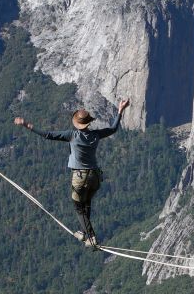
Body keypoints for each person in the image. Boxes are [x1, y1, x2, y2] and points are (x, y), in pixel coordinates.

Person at [14, 99, 131, 249]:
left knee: (78, 207)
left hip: (80, 177)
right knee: (86, 203)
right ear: (88, 123)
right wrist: (120, 110)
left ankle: (91, 237)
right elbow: (113, 128)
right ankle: (84, 232)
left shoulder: (72, 135)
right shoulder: (96, 135)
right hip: (95, 176)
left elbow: (48, 135)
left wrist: (26, 124)